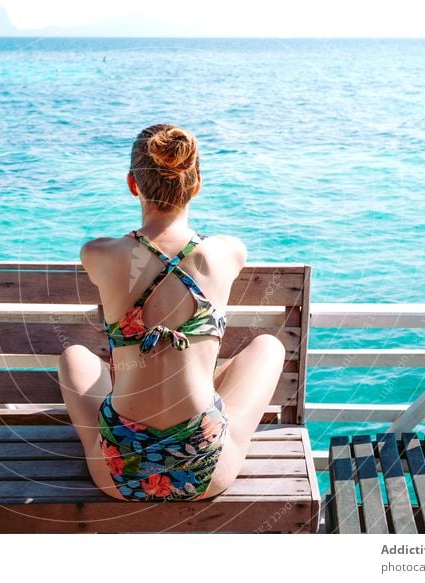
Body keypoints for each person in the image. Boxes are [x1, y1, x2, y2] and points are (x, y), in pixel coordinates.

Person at [59, 123, 285, 501]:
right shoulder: (227, 251)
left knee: (75, 356)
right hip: (206, 470)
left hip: (119, 474)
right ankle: (215, 428)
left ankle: (111, 439)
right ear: (196, 185)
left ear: (133, 184)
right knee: (269, 348)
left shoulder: (97, 254)